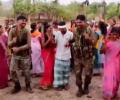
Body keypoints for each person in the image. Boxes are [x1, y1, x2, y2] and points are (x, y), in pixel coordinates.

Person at [8, 15, 32, 93]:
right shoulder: (12, 31)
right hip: (15, 55)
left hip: (25, 55)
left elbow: (29, 45)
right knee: (12, 71)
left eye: (25, 20)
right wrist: (13, 42)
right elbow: (9, 44)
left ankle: (28, 85)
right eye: (22, 20)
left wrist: (19, 48)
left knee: (26, 72)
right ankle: (17, 85)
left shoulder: (27, 31)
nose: (24, 22)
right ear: (17, 21)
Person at [73, 15, 95, 97]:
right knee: (77, 74)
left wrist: (88, 39)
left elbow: (95, 43)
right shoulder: (75, 30)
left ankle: (86, 87)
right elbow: (75, 40)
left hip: (88, 57)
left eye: (80, 22)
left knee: (88, 74)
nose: (78, 24)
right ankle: (79, 89)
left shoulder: (91, 31)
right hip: (78, 56)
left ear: (85, 21)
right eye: (77, 22)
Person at [53, 21, 74, 90]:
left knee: (66, 72)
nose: (61, 30)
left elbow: (73, 43)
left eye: (63, 28)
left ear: (65, 27)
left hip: (67, 56)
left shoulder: (70, 34)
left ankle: (65, 84)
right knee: (58, 72)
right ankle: (58, 85)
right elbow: (55, 43)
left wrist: (70, 44)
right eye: (60, 29)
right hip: (58, 56)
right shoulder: (57, 34)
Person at [102, 26, 120, 100]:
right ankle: (108, 94)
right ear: (110, 34)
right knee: (108, 79)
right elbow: (102, 51)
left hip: (117, 64)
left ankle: (114, 93)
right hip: (108, 64)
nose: (114, 36)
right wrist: (105, 43)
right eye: (113, 34)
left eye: (117, 34)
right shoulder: (107, 42)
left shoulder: (119, 43)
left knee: (116, 80)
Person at [39, 25, 55, 90]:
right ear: (46, 29)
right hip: (46, 52)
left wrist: (53, 40)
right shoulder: (43, 35)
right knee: (47, 67)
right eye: (49, 28)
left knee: (52, 68)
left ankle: (50, 82)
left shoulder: (53, 35)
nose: (51, 29)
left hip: (52, 52)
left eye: (51, 28)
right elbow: (43, 46)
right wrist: (49, 39)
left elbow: (54, 44)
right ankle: (45, 83)